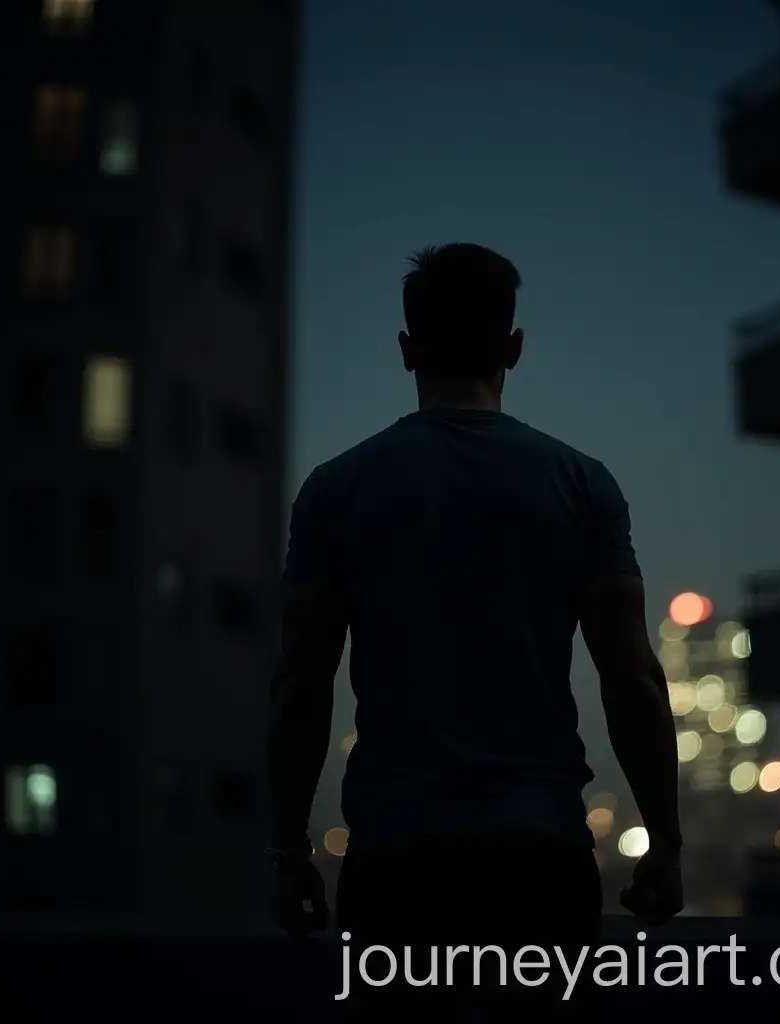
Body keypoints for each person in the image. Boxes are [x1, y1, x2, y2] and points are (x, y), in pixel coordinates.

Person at [266, 243, 682, 999]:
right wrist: (665, 843)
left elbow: (301, 682)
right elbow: (632, 679)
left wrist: (290, 850)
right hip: (540, 856)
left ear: (407, 351)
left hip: (396, 860)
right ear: (513, 349)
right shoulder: (582, 484)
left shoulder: (336, 489)